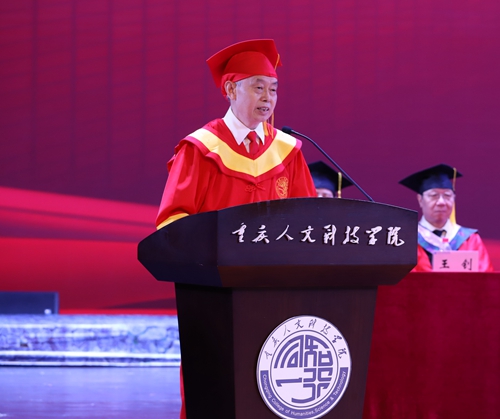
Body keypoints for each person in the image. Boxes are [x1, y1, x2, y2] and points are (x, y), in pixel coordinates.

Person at [154, 39, 317, 419]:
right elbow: (173, 221)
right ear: (230, 90)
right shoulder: (200, 149)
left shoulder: (288, 152)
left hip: (276, 293)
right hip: (213, 294)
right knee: (216, 383)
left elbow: (308, 223)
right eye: (258, 87)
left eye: (273, 89)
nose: (268, 98)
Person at [399, 163, 493, 272]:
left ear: (454, 199)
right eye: (434, 195)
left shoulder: (470, 240)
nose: (441, 202)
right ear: (420, 200)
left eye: (447, 195)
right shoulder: (408, 239)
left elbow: (485, 278)